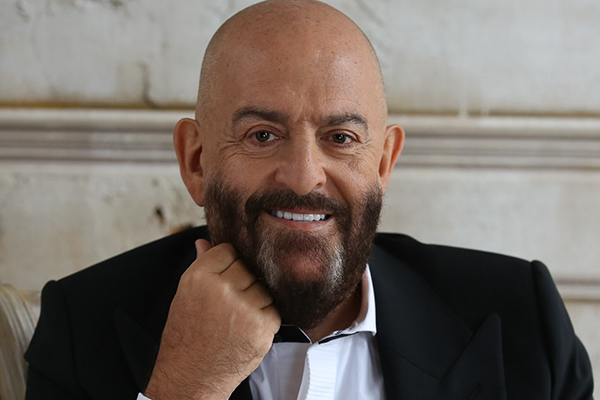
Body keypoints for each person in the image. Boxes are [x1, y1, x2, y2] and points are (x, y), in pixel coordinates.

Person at [25, 1, 593, 399]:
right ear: (196, 161)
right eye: (262, 135)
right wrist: (187, 388)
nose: (303, 177)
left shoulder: (522, 319)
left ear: (383, 163)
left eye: (340, 138)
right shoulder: (83, 327)